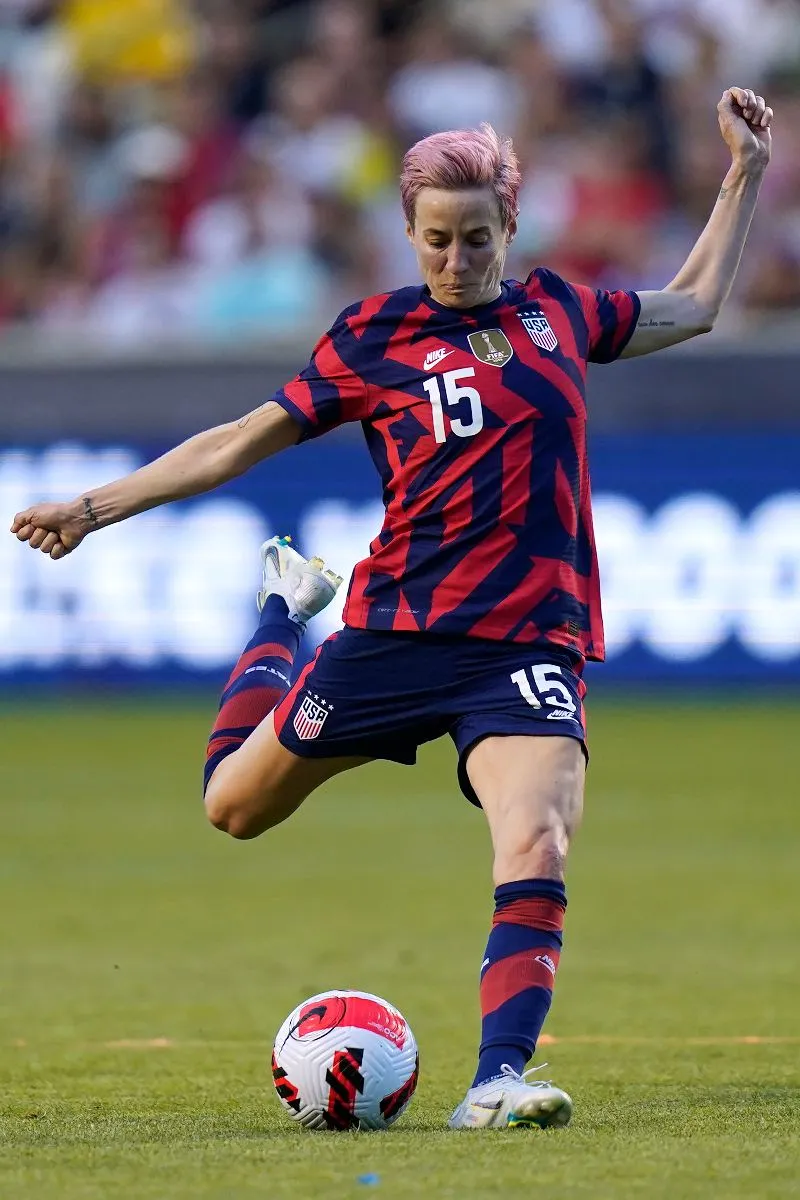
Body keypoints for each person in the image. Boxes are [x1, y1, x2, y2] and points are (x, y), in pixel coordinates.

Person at [11, 87, 772, 1130]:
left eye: (474, 239)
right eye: (434, 241)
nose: (455, 261)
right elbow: (236, 441)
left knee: (537, 839)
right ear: (407, 235)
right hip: (393, 637)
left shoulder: (559, 312)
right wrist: (94, 508)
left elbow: (692, 305)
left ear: (509, 227)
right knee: (231, 808)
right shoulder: (371, 337)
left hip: (523, 644)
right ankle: (286, 614)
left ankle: (494, 1081)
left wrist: (743, 170)